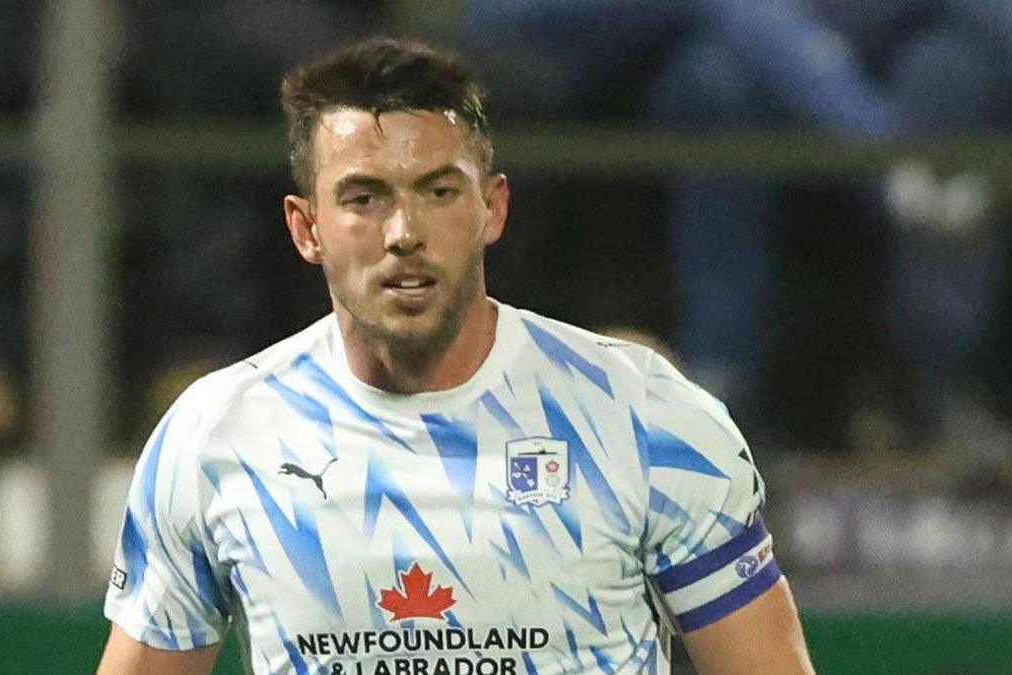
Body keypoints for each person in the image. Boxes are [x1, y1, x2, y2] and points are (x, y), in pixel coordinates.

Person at [97, 37, 815, 675]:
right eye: (364, 198)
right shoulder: (216, 436)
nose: (404, 232)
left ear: (492, 208)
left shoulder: (643, 417)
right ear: (305, 227)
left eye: (438, 191)